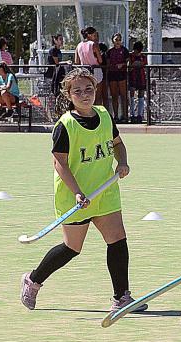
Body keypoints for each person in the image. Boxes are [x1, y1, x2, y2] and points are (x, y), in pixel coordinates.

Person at [20, 68, 137, 313]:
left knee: (117, 240)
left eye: (89, 89)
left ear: (96, 90)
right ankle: (33, 280)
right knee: (72, 248)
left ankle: (121, 297)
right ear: (68, 94)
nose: (84, 95)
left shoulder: (104, 115)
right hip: (75, 196)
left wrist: (122, 162)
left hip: (104, 192)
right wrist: (76, 192)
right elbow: (59, 162)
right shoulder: (66, 125)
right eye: (78, 91)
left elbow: (117, 144)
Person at [74, 26, 105, 105]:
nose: (95, 37)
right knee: (97, 96)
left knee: (87, 95)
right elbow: (100, 60)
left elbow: (76, 61)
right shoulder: (93, 44)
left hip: (84, 71)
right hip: (95, 70)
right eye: (94, 35)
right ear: (89, 35)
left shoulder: (79, 46)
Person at [106, 33, 129, 123]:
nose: (118, 41)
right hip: (112, 74)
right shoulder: (110, 52)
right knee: (114, 96)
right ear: (113, 41)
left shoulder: (125, 50)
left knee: (123, 96)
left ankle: (125, 116)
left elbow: (128, 62)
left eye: (119, 39)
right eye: (116, 40)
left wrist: (122, 65)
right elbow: (108, 64)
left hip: (122, 74)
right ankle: (115, 116)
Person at [127, 41, 147, 124]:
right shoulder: (130, 56)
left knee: (141, 94)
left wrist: (140, 64)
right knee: (131, 94)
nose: (137, 53)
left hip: (141, 77)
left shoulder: (143, 56)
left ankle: (140, 115)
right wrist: (133, 65)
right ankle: (132, 114)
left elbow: (145, 65)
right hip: (133, 77)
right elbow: (129, 68)